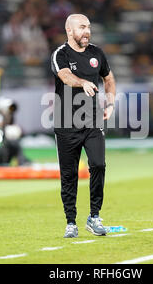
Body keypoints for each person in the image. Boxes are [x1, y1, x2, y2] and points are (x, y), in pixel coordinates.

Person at [51, 14, 116, 238]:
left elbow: (109, 79)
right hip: (66, 124)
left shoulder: (97, 53)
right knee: (69, 175)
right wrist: (83, 82)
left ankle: (94, 217)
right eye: (82, 27)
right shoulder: (60, 54)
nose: (87, 31)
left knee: (98, 165)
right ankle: (71, 222)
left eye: (88, 27)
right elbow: (66, 76)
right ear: (69, 31)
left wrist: (110, 103)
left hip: (92, 121)